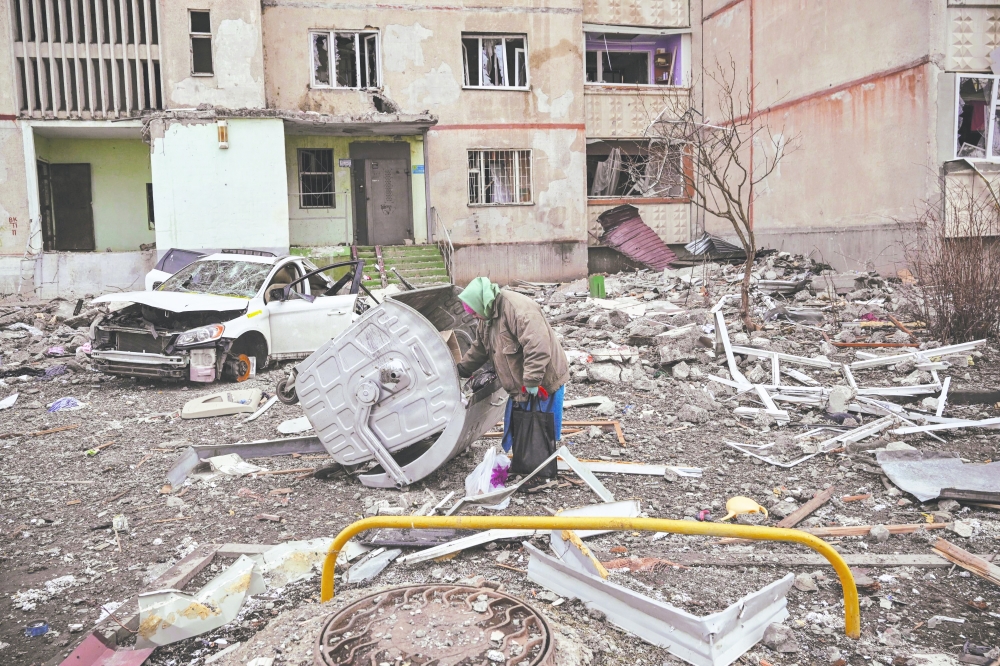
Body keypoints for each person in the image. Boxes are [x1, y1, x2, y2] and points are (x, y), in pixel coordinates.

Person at [456, 277, 569, 453]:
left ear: (482, 303)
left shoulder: (518, 310)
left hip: (543, 381)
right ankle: (526, 464)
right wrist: (462, 369)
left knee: (541, 429)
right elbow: (480, 348)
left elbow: (538, 346)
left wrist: (532, 381)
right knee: (522, 429)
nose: (473, 317)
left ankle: (540, 467)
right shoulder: (486, 316)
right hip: (522, 384)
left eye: (474, 313)